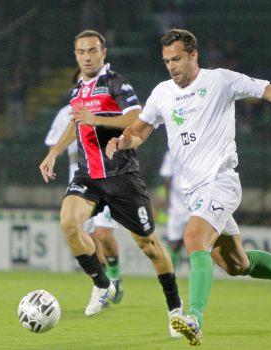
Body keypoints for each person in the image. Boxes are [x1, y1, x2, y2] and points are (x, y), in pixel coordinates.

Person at [106, 29, 271, 346]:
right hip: (193, 194)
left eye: (176, 58)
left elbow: (269, 91)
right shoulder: (162, 93)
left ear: (193, 55)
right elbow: (140, 131)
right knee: (235, 264)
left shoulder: (220, 81)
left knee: (193, 239)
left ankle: (194, 320)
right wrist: (122, 141)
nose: (171, 66)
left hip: (221, 181)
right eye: (166, 61)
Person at [39, 30, 183, 338]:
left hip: (121, 176)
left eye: (92, 50)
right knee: (68, 222)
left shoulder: (116, 83)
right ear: (76, 55)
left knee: (150, 246)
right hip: (88, 175)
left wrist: (98, 118)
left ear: (104, 53)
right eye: (81, 51)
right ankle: (103, 284)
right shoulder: (77, 87)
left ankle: (175, 309)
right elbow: (75, 122)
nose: (87, 56)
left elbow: (136, 116)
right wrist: (54, 152)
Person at [44, 69, 125, 305]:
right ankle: (105, 284)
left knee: (105, 235)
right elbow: (53, 145)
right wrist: (51, 160)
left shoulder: (104, 106)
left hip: (106, 176)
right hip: (80, 181)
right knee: (91, 237)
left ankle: (115, 273)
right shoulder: (63, 115)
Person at [159, 151, 189, 270]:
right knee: (175, 243)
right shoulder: (171, 153)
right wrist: (167, 201)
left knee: (196, 241)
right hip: (177, 205)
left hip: (194, 204)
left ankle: (168, 273)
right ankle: (169, 273)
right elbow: (167, 179)